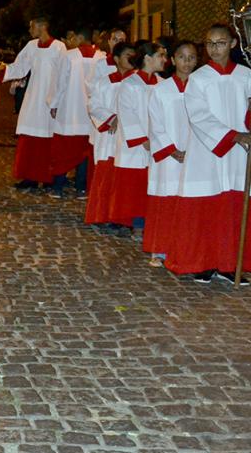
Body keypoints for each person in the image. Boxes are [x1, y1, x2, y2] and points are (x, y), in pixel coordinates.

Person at [166, 24, 251, 284]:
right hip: (208, 151)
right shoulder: (199, 78)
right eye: (210, 43)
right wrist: (234, 136)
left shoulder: (246, 75)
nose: (215, 48)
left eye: (221, 42)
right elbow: (199, 115)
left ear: (233, 44)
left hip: (239, 154)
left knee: (234, 208)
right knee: (205, 208)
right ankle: (202, 262)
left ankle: (229, 264)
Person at [144, 41, 197, 266]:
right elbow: (155, 124)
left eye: (191, 57)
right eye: (182, 57)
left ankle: (185, 249)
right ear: (173, 60)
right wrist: (173, 150)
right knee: (166, 201)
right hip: (169, 156)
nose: (186, 62)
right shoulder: (161, 90)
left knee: (191, 203)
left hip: (196, 154)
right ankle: (162, 248)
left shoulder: (202, 86)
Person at [0, 17, 67, 189]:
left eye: (32, 26)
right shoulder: (31, 46)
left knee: (48, 139)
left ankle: (48, 177)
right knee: (29, 137)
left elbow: (63, 75)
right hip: (33, 97)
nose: (30, 30)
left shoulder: (59, 47)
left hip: (50, 99)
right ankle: (30, 177)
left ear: (43, 26)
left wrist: (57, 101)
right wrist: (5, 70)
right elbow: (20, 66)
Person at [107, 41, 166, 236]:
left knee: (152, 184)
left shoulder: (162, 84)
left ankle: (150, 223)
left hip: (156, 142)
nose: (164, 60)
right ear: (148, 58)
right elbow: (127, 113)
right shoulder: (129, 84)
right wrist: (142, 138)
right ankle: (136, 223)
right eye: (160, 55)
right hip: (136, 145)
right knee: (135, 187)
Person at [49, 27, 104, 198]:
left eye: (73, 37)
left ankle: (58, 187)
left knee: (63, 150)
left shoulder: (69, 56)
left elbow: (60, 83)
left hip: (70, 111)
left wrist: (53, 104)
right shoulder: (101, 58)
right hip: (92, 115)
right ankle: (81, 188)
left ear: (80, 37)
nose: (70, 40)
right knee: (86, 151)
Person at [85, 42, 136, 226]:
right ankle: (102, 214)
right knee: (106, 175)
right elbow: (93, 105)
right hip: (108, 136)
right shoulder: (103, 82)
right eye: (127, 55)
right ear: (116, 59)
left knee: (124, 178)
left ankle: (121, 218)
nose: (131, 59)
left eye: (133, 55)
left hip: (129, 139)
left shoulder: (139, 82)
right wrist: (110, 118)